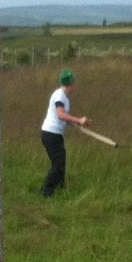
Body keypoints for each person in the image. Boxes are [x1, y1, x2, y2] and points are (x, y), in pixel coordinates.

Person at [40, 68, 89, 197]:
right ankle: (45, 192)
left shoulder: (64, 98)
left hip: (55, 134)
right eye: (73, 83)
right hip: (50, 134)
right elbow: (60, 114)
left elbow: (63, 118)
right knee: (58, 164)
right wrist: (79, 120)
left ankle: (60, 188)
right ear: (70, 83)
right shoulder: (60, 95)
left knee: (61, 162)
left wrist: (77, 124)